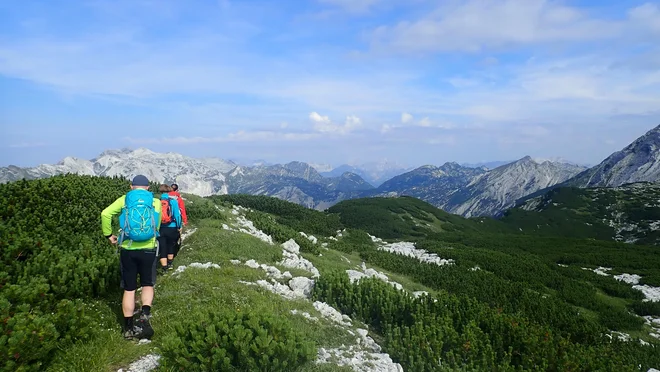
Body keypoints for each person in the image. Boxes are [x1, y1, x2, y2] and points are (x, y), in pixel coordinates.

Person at [101, 175, 161, 340]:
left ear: (131, 186)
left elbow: (105, 214)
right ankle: (145, 315)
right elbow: (157, 223)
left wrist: (108, 235)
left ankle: (128, 329)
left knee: (129, 288)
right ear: (148, 187)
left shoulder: (124, 200)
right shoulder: (154, 202)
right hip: (149, 248)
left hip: (128, 249)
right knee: (148, 284)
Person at [158, 184, 182, 273]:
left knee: (162, 247)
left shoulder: (157, 201)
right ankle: (170, 264)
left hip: (160, 228)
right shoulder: (173, 201)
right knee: (171, 245)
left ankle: (164, 269)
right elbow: (177, 215)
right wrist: (179, 226)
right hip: (172, 227)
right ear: (169, 191)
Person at [169, 183, 188, 257]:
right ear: (177, 190)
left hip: (164, 222)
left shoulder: (164, 197)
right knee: (175, 239)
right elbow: (182, 210)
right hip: (175, 223)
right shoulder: (178, 198)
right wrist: (185, 221)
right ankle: (173, 255)